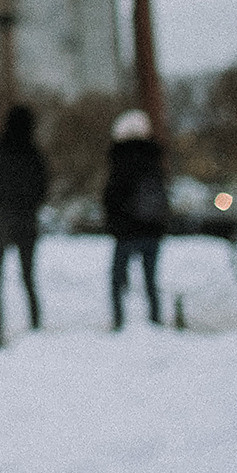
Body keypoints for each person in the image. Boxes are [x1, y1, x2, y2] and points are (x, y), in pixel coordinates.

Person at [0, 105, 49, 347]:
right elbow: (43, 189)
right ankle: (35, 325)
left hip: (0, 221)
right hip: (27, 221)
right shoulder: (34, 155)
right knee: (28, 276)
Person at [102, 108, 169, 330]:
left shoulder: (120, 159)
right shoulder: (154, 157)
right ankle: (155, 320)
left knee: (116, 279)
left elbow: (112, 196)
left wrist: (113, 221)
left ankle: (119, 321)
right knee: (151, 280)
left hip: (126, 230)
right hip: (152, 229)